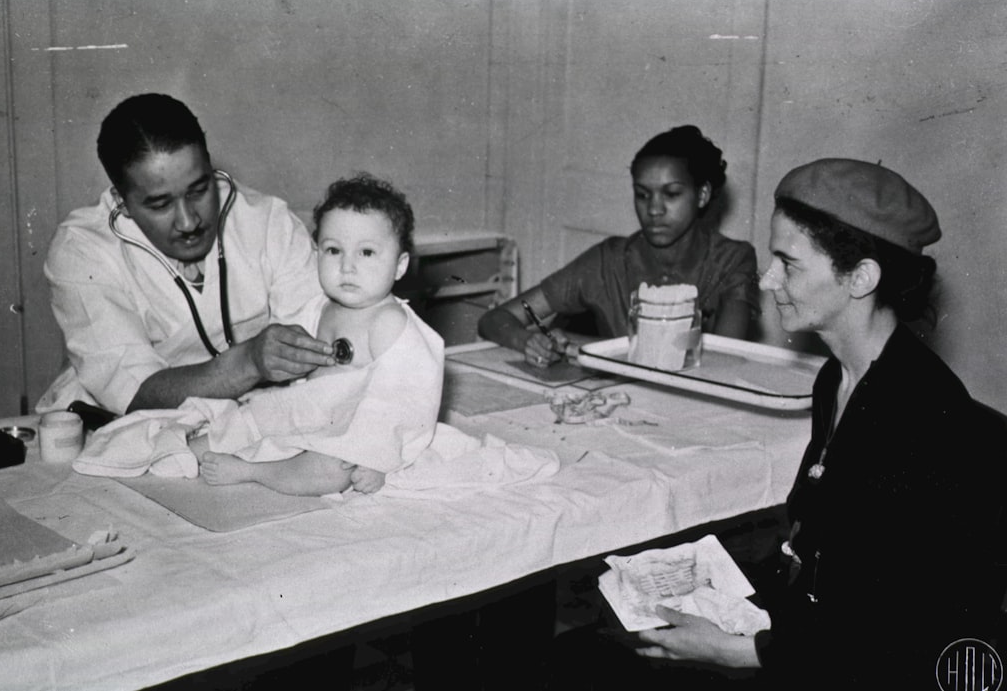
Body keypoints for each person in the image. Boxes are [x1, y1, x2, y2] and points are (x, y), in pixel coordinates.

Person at [547, 159, 1007, 690]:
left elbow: (906, 635)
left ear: (861, 277)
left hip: (855, 668)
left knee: (589, 664)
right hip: (815, 634)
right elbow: (819, 548)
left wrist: (744, 651)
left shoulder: (924, 420)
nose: (769, 280)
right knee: (594, 643)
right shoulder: (837, 378)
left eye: (789, 264)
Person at [37, 93, 335, 416]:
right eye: (160, 204)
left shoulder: (268, 223)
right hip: (112, 424)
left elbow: (317, 337)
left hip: (251, 417)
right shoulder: (81, 249)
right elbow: (134, 392)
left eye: (199, 190)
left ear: (211, 168)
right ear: (121, 201)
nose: (189, 221)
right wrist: (249, 362)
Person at [193, 173, 444, 496]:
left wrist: (381, 460)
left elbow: (404, 405)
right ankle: (186, 450)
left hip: (356, 431)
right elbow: (293, 379)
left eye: (366, 253)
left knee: (331, 469)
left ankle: (253, 471)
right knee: (249, 417)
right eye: (333, 250)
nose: (347, 267)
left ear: (399, 265)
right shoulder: (318, 308)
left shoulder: (389, 322)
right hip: (310, 414)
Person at [477, 125, 759, 368]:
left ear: (702, 194)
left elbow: (725, 359)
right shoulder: (607, 261)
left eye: (671, 194)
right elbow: (495, 318)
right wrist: (528, 340)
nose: (654, 209)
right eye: (642, 195)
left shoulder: (733, 260)